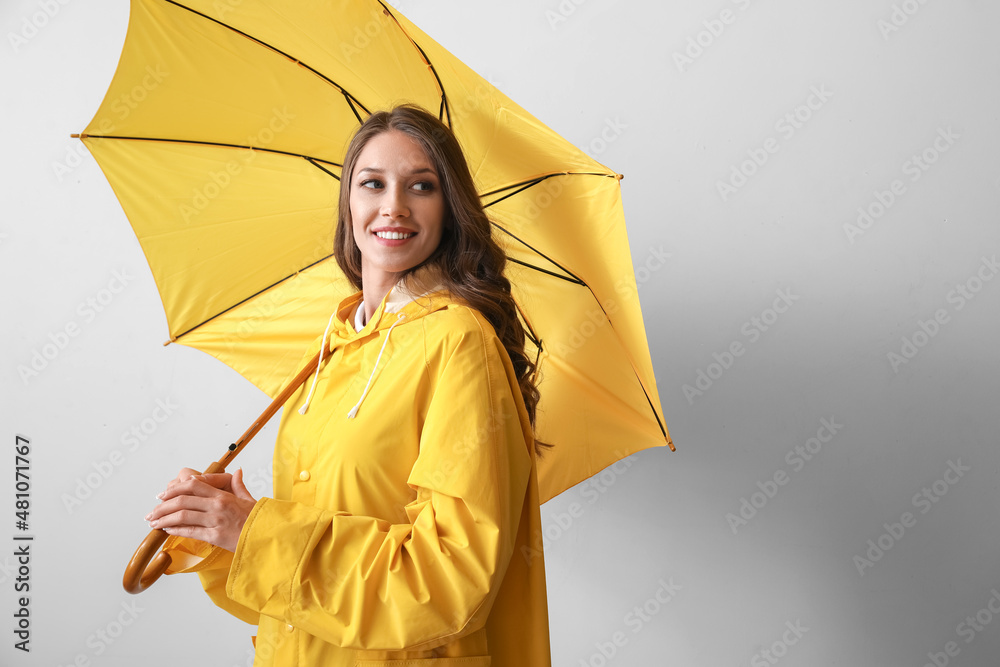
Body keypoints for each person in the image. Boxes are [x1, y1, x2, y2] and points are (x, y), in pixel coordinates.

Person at [144, 104, 552, 666]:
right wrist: (223, 530)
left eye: (421, 186)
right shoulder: (335, 345)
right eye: (373, 184)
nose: (394, 207)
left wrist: (256, 534)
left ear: (449, 209)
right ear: (349, 203)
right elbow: (307, 598)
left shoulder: (458, 343)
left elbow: (448, 584)